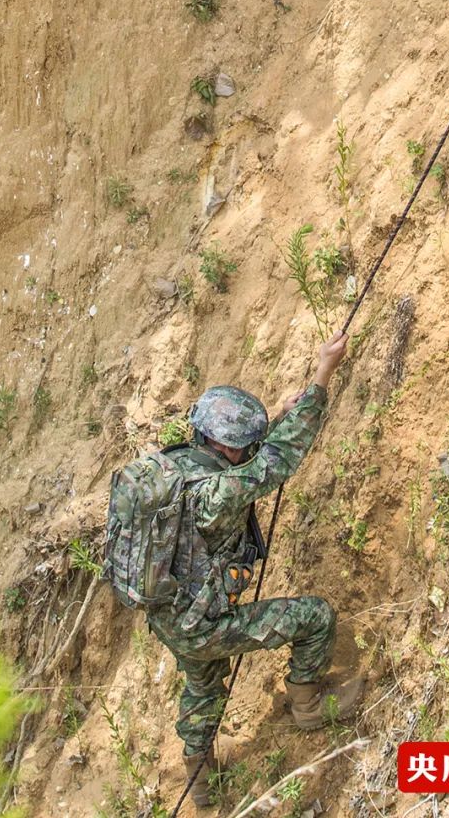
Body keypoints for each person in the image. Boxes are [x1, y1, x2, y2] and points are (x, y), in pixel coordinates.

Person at [147, 332, 362, 809]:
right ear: (227, 449)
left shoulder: (172, 468)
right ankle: (308, 705)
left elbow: (245, 461)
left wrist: (278, 415)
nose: (245, 451)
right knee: (315, 617)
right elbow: (276, 461)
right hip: (205, 625)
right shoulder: (219, 494)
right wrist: (323, 373)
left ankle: (199, 778)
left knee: (202, 683)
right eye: (242, 446)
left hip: (169, 615)